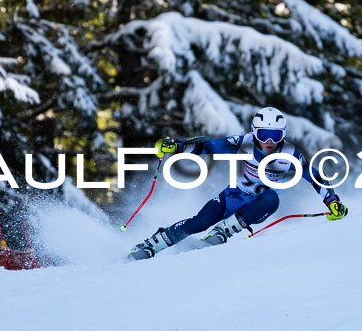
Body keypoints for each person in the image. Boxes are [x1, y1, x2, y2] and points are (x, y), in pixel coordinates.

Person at [128, 107, 348, 260]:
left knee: (272, 197)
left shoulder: (290, 154)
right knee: (201, 221)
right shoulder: (243, 142)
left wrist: (332, 201)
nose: (269, 142)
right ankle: (152, 244)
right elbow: (208, 147)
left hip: (259, 205)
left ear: (283, 135)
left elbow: (315, 176)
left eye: (275, 135)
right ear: (255, 132)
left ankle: (226, 229)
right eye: (264, 134)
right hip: (233, 196)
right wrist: (176, 147)